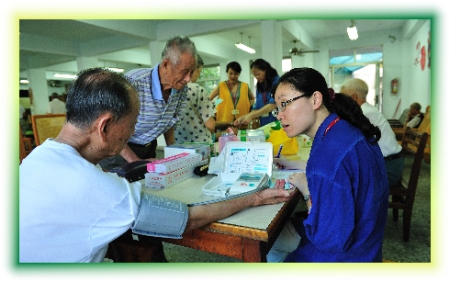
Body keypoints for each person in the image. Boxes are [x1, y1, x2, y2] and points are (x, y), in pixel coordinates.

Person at [19, 67, 293, 263]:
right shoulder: (101, 189)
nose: (135, 130)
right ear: (105, 126)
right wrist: (254, 198)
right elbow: (187, 218)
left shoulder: (34, 160)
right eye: (133, 120)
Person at [267, 67, 389, 262]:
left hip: (345, 258)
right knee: (280, 231)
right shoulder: (344, 130)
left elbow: (328, 240)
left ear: (315, 100)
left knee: (266, 239)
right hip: (368, 245)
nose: (280, 115)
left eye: (285, 104)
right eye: (277, 108)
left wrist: (308, 192)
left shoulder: (326, 156)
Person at [99, 35, 198, 171]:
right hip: (119, 152)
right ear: (166, 65)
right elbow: (111, 130)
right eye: (184, 72)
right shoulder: (133, 83)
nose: (188, 79)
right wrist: (135, 161)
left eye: (192, 72)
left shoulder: (180, 89)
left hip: (148, 149)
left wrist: (173, 152)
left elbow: (170, 121)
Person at [340, 78, 404, 187]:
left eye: (343, 98)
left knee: (344, 182)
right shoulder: (367, 110)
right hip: (385, 163)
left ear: (353, 97)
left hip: (388, 168)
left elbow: (347, 142)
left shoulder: (364, 114)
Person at [174, 54, 215, 143]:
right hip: (199, 145)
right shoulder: (198, 90)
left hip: (178, 144)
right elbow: (210, 125)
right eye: (199, 72)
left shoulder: (172, 89)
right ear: (193, 69)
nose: (199, 76)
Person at [208, 61, 255, 132]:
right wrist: (217, 103)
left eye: (235, 74)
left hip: (241, 123)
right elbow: (209, 99)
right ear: (227, 73)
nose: (233, 76)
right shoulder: (221, 86)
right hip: (223, 123)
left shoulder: (245, 86)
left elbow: (252, 98)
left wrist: (248, 105)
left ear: (239, 74)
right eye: (230, 73)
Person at [234, 59, 279, 128]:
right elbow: (257, 108)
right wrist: (244, 117)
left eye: (258, 74)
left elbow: (273, 105)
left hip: (277, 121)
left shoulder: (277, 82)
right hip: (264, 123)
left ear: (265, 70)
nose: (257, 77)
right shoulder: (260, 86)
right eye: (254, 75)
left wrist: (251, 116)